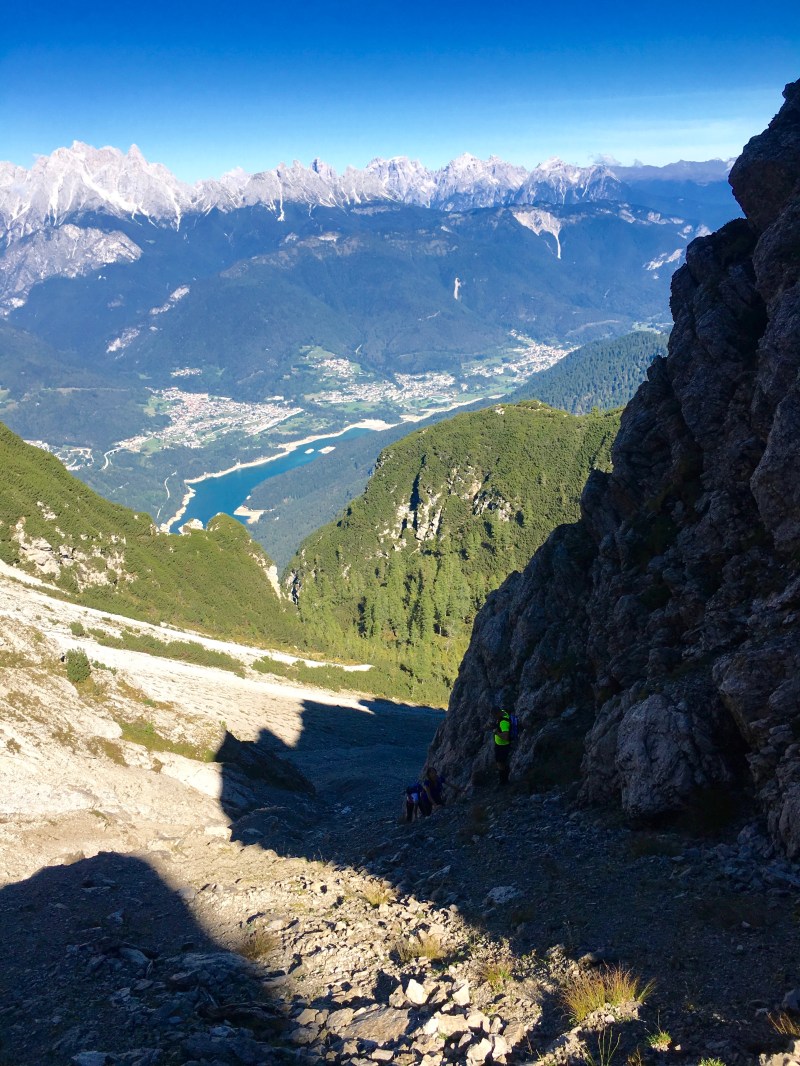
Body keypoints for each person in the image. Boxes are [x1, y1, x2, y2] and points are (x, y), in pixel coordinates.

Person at [493, 706, 513, 785]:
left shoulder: (503, 722)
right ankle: (505, 778)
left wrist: (496, 733)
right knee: (501, 762)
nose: (494, 717)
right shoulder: (503, 712)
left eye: (494, 715)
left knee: (500, 763)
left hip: (502, 746)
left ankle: (503, 781)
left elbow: (505, 737)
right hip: (500, 745)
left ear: (497, 713)